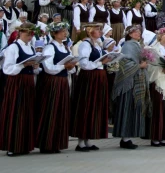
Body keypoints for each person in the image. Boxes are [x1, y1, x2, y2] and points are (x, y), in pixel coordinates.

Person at [36, 21, 77, 154]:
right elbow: (48, 67)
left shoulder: (65, 47)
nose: (65, 33)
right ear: (54, 33)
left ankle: (56, 142)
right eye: (62, 31)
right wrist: (64, 67)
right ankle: (46, 143)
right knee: (50, 110)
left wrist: (71, 66)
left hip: (62, 81)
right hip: (52, 82)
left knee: (60, 111)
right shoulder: (50, 47)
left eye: (65, 31)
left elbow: (69, 67)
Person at [0, 22, 40, 156]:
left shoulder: (31, 48)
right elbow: (7, 69)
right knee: (15, 111)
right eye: (28, 34)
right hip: (16, 82)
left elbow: (34, 70)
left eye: (31, 34)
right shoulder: (13, 48)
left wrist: (35, 67)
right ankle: (12, 145)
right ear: (20, 33)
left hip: (28, 82)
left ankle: (24, 144)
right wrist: (23, 65)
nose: (30, 37)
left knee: (26, 112)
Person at [70, 22, 111, 152]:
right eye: (97, 30)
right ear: (90, 31)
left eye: (100, 30)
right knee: (86, 106)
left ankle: (88, 139)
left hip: (98, 77)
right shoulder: (85, 45)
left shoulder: (97, 45)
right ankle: (81, 141)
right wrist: (100, 62)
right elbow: (84, 63)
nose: (100, 32)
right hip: (89, 78)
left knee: (94, 106)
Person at [112, 25, 150, 149]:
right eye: (135, 32)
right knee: (128, 107)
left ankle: (128, 136)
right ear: (129, 34)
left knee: (134, 107)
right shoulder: (128, 45)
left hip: (137, 80)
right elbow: (125, 62)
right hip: (129, 82)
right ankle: (125, 137)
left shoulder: (138, 45)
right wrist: (139, 66)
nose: (138, 34)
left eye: (139, 32)